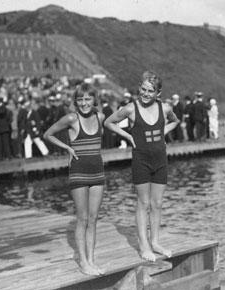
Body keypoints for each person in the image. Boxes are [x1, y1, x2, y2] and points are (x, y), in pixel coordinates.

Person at [104, 71, 179, 262]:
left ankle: (155, 242)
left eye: (150, 91)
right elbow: (108, 122)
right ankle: (144, 245)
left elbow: (176, 121)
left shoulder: (165, 108)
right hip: (141, 160)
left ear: (158, 93)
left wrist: (163, 132)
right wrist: (128, 136)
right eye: (143, 89)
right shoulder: (130, 108)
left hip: (161, 159)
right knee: (143, 203)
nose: (145, 93)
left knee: (158, 204)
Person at [44, 83, 105, 275]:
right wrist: (68, 148)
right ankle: (83, 262)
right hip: (78, 172)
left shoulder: (100, 117)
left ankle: (92, 260)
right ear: (75, 101)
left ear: (95, 100)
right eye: (80, 100)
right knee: (82, 218)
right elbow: (48, 134)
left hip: (98, 172)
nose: (84, 103)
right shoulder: (71, 118)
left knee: (94, 219)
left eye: (88, 99)